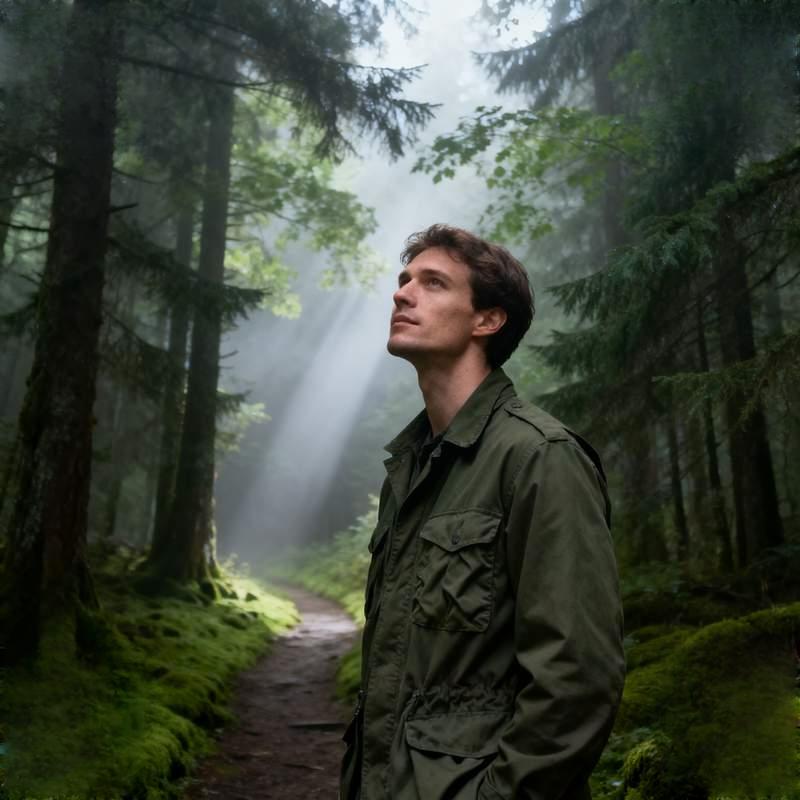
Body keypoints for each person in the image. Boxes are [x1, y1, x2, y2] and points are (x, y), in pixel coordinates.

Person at [340, 224, 625, 800]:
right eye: (404, 280)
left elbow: (578, 676)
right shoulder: (411, 468)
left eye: (432, 283)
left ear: (488, 320)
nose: (402, 293)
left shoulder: (540, 456)